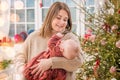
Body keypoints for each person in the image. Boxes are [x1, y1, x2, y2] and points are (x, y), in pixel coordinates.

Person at [14, 1, 83, 80]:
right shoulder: (34, 36)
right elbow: (19, 56)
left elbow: (78, 62)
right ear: (50, 17)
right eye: (58, 18)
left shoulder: (70, 38)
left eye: (65, 19)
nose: (62, 22)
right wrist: (23, 70)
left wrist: (51, 62)